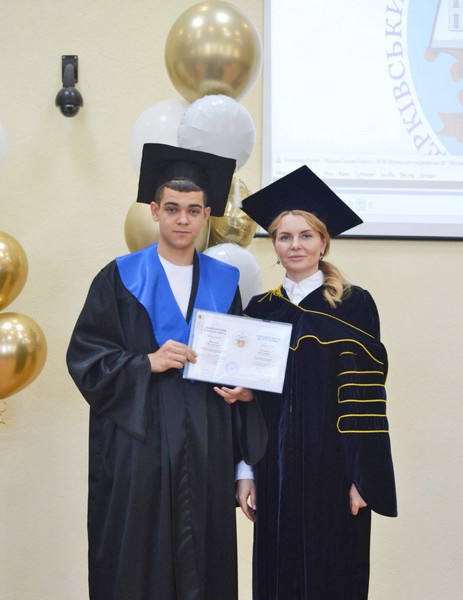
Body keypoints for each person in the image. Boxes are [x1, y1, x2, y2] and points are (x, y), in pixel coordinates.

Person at [66, 143, 267, 600]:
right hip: (139, 453)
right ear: (155, 211)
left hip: (207, 449)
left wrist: (243, 457)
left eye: (193, 210)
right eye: (172, 208)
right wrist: (145, 363)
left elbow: (238, 370)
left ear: (207, 216)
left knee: (205, 562)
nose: (182, 219)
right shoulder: (119, 278)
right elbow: (85, 359)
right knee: (139, 563)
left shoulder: (224, 283)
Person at [235, 165, 397, 600]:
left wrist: (363, 476)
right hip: (274, 472)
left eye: (306, 235)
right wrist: (245, 471)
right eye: (284, 236)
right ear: (274, 244)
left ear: (323, 242)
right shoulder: (260, 310)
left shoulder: (353, 304)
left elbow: (366, 396)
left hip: (335, 473)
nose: (295, 245)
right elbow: (247, 402)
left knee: (335, 577)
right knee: (278, 578)